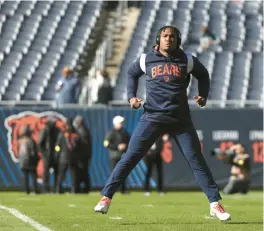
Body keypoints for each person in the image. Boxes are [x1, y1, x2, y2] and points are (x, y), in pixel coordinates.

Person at [94, 25, 231, 221]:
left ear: (178, 39)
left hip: (180, 119)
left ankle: (215, 203)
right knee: (130, 157)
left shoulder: (187, 59)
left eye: (172, 36)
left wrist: (203, 95)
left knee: (196, 161)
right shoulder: (145, 59)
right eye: (165, 36)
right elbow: (131, 74)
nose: (169, 39)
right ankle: (106, 197)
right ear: (159, 38)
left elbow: (204, 75)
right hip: (152, 117)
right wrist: (131, 97)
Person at [103, 115, 130, 194]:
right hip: (114, 156)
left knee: (123, 173)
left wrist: (125, 145)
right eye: (120, 123)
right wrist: (117, 147)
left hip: (122, 155)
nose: (121, 124)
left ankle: (123, 190)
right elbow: (106, 144)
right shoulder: (111, 133)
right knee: (114, 174)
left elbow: (129, 141)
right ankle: (111, 190)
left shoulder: (124, 132)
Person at [55, 118, 81, 193]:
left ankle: (58, 190)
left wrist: (57, 154)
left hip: (63, 157)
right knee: (73, 175)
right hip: (72, 157)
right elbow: (78, 146)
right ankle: (74, 190)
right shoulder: (75, 133)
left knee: (61, 175)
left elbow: (57, 146)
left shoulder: (62, 133)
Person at [38, 118, 60, 193]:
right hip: (47, 155)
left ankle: (56, 189)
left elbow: (58, 144)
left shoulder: (57, 131)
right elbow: (40, 143)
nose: (54, 125)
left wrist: (57, 152)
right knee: (46, 173)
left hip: (54, 155)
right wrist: (44, 153)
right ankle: (45, 189)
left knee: (56, 173)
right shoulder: (44, 130)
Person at [18, 125, 39, 194]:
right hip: (30, 160)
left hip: (22, 161)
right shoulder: (30, 140)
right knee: (33, 175)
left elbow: (18, 151)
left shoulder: (20, 141)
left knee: (25, 176)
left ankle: (26, 190)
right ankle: (35, 190)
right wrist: (36, 159)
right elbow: (33, 152)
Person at [73, 115, 92, 193]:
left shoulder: (82, 131)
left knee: (82, 173)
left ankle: (85, 189)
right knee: (83, 173)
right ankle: (84, 188)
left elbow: (83, 144)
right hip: (84, 156)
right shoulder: (83, 130)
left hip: (82, 156)